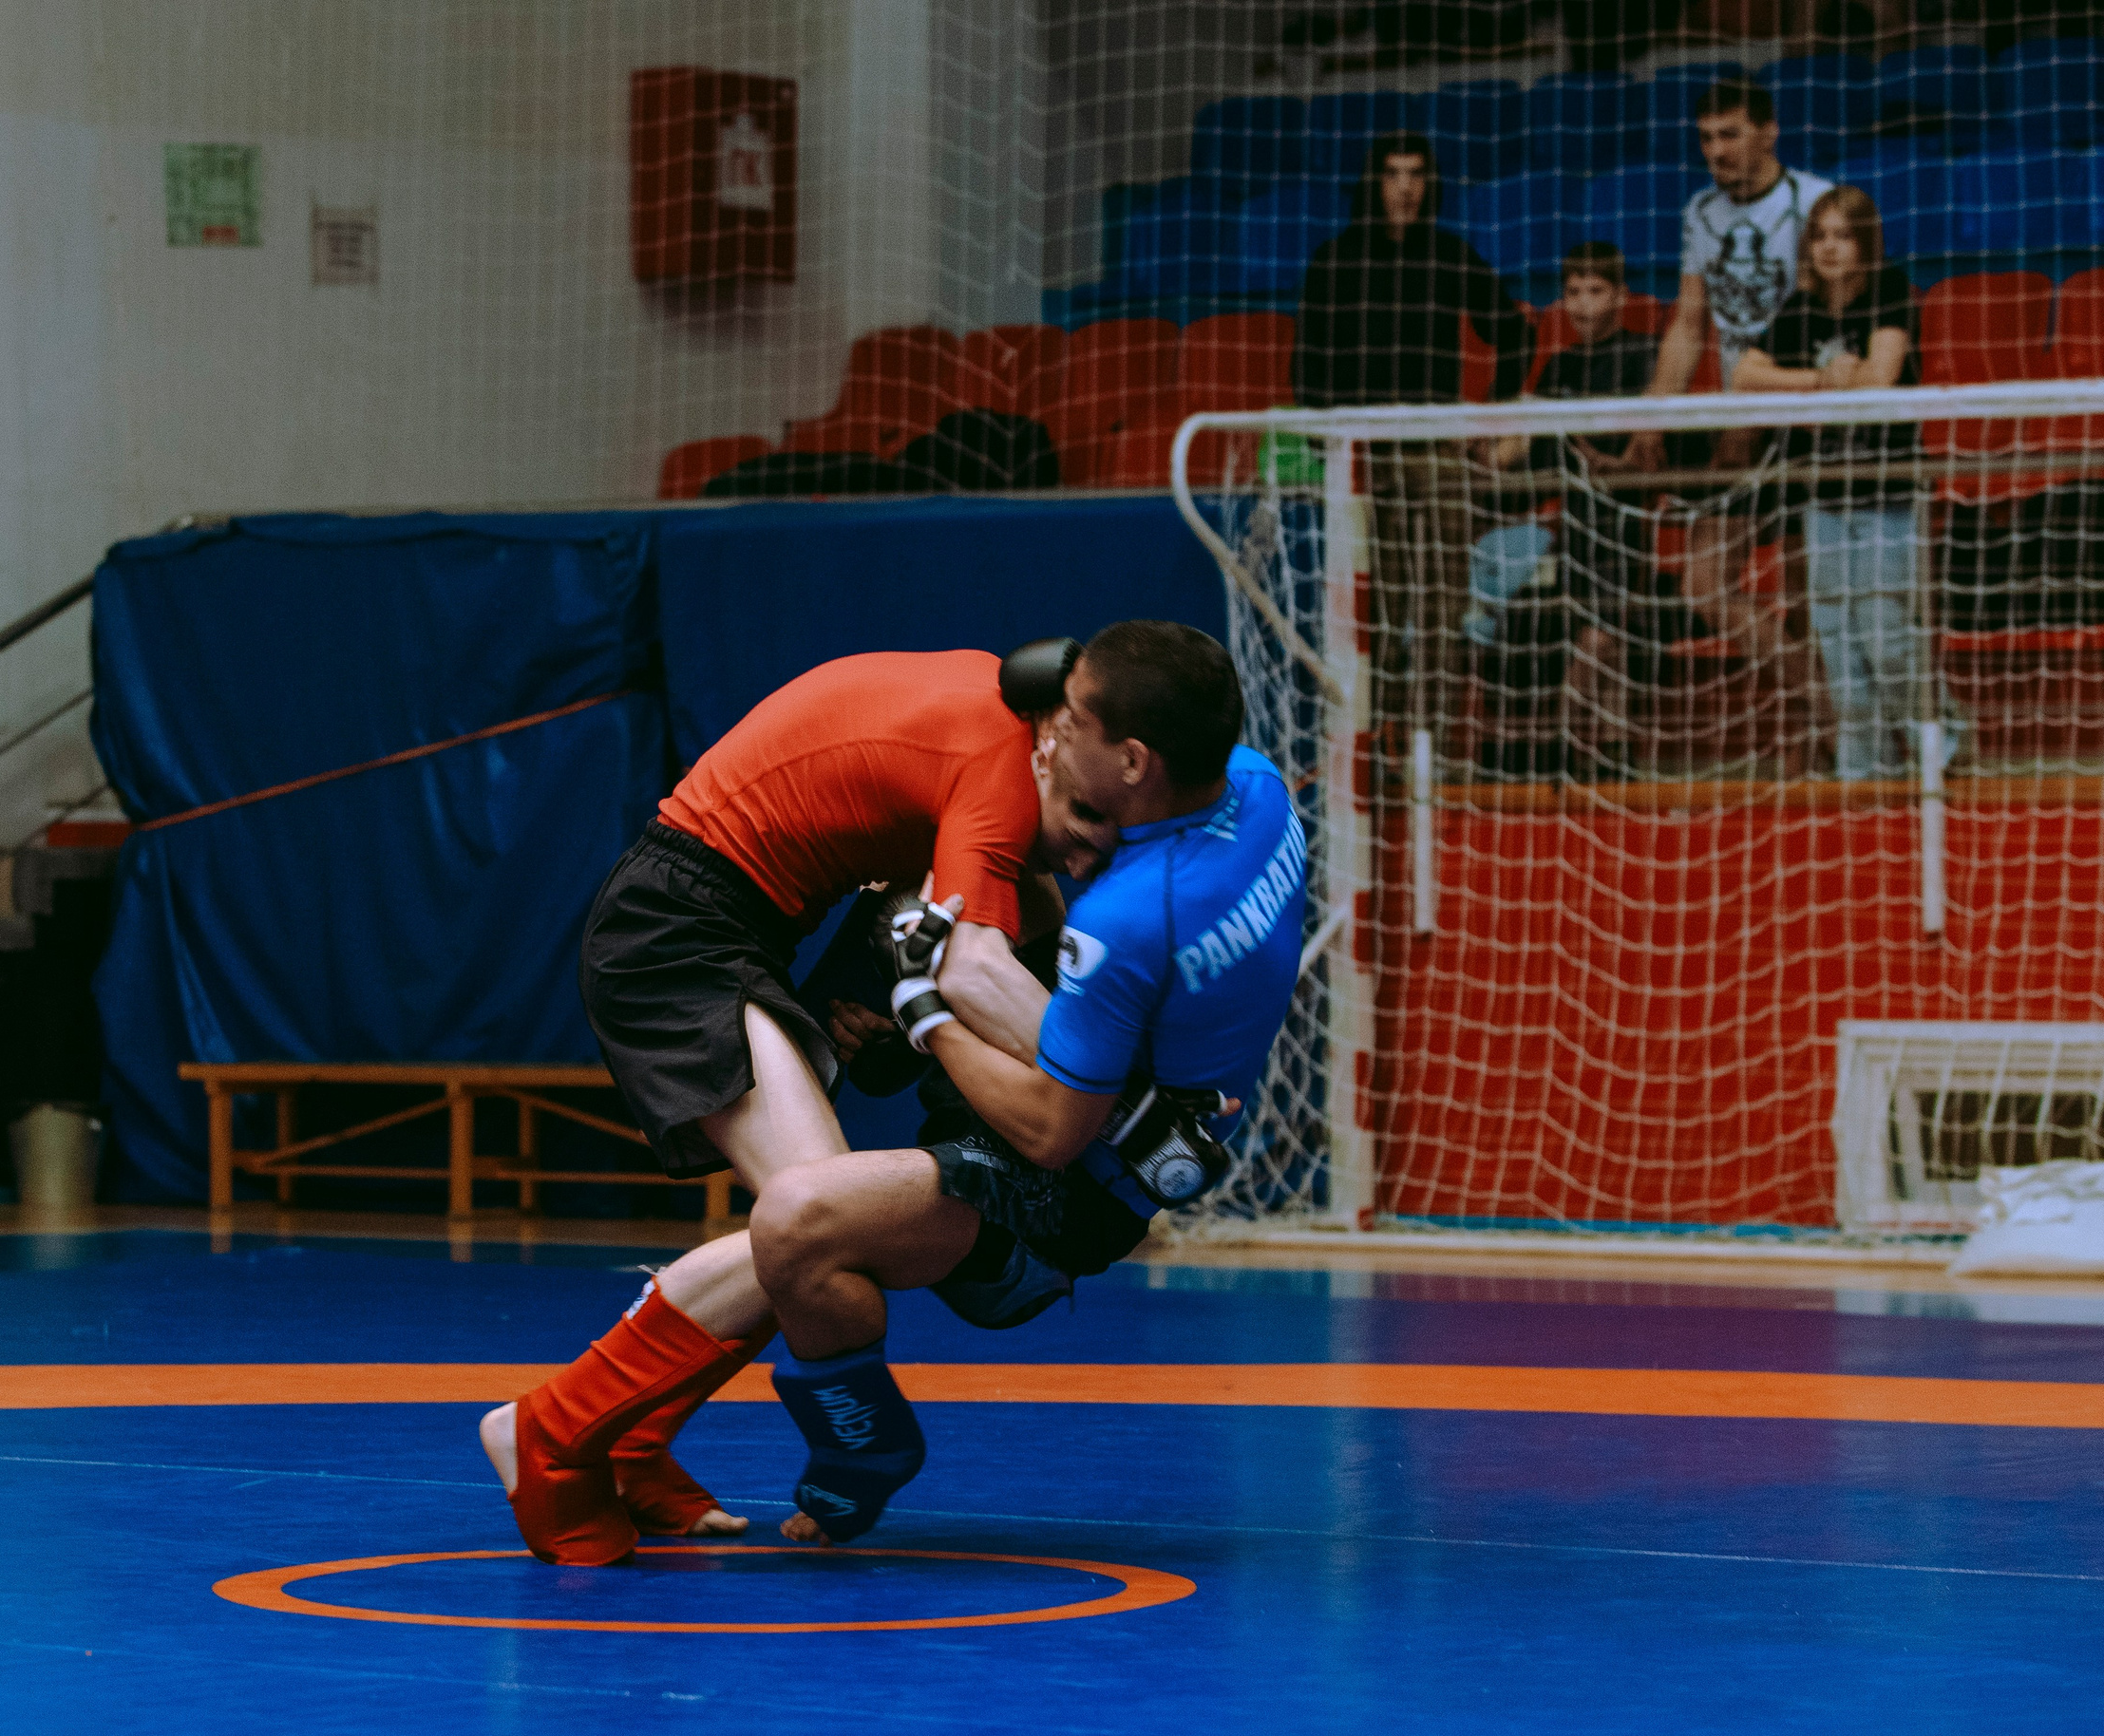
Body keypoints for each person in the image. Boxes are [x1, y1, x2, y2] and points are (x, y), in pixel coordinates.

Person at [479, 646, 1117, 1567]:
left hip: (716, 924)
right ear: (1058, 743)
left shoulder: (999, 723)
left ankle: (632, 1438)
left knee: (816, 1229)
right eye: (1087, 818)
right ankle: (546, 1427)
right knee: (820, 1223)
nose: (1088, 853)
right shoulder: (1001, 767)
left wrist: (891, 1003)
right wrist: (1120, 1097)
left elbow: (975, 905)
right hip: (676, 934)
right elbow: (979, 960)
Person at [745, 622, 1308, 1545]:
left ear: (1134, 760)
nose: (1050, 731)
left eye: (1072, 720)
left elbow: (1052, 1133)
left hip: (1059, 1203)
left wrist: (927, 1015)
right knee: (1019, 871)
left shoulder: (1129, 921)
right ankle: (1064, 1072)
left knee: (793, 1222)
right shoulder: (1256, 787)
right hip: (1151, 1101)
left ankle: (860, 1449)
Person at [1295, 132, 1534, 781]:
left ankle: (1436, 757)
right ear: (1374, 182)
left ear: (1430, 183)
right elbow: (1307, 370)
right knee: (1376, 615)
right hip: (1364, 459)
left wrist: (1487, 416)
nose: (1405, 186)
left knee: (1442, 612)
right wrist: (1337, 441)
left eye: (1417, 173)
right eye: (1394, 173)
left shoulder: (1449, 255)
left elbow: (1515, 333)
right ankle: (1375, 756)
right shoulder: (1336, 261)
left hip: (1435, 453)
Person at [1735, 185, 1962, 782]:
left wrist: (1830, 380)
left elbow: (1880, 379)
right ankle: (1865, 768)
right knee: (1838, 644)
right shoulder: (1800, 309)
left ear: (1865, 243)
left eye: (1843, 235)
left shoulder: (1890, 293)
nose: (1830, 247)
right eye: (1820, 236)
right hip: (1825, 498)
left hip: (1889, 493)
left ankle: (1940, 738)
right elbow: (1745, 375)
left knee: (1886, 638)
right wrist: (1820, 379)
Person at [1628, 79, 1833, 731]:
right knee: (1705, 586)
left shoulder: (1814, 201)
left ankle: (1829, 743)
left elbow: (1814, 316)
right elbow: (1690, 323)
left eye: (1731, 134)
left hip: (1807, 418)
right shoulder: (1701, 212)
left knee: (1807, 598)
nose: (1716, 150)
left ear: (1769, 133)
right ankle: (1837, 714)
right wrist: (1653, 417)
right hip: (1737, 419)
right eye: (1707, 138)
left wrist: (1756, 407)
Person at [1480, 241, 1678, 782]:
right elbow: (1530, 449)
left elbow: (1649, 453)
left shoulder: (1645, 356)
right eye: (1573, 292)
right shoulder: (1560, 366)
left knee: (1601, 640)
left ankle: (1554, 746)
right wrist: (1486, 451)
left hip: (1626, 527)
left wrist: (1608, 461)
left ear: (1620, 295)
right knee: (1600, 647)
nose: (1584, 304)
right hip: (1575, 530)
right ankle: (1612, 755)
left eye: (1596, 291)